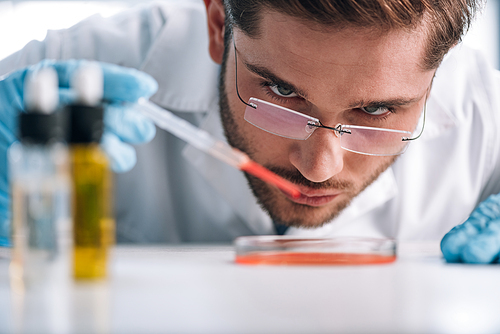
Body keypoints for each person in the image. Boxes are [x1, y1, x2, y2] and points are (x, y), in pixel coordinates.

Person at [0, 0, 498, 263]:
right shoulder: (73, 69)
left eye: (377, 110)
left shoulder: (486, 112)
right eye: (281, 92)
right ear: (219, 25)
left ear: (438, 72)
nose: (319, 166)